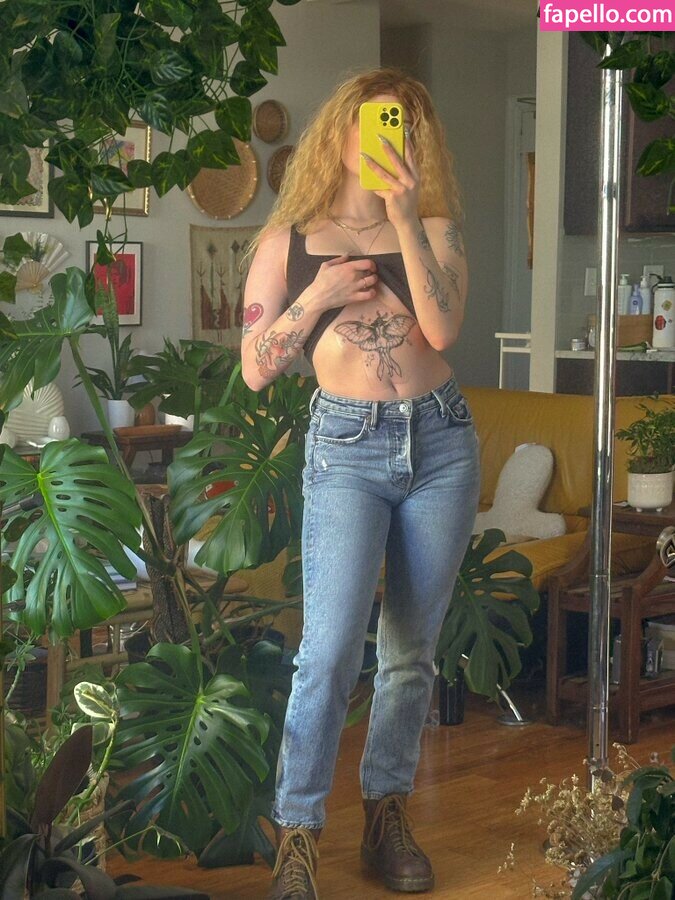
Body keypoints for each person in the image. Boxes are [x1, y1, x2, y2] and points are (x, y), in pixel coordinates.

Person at [241, 67, 480, 899]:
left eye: (407, 125)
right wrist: (315, 296)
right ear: (340, 131)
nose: (392, 138)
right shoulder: (287, 241)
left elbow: (442, 328)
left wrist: (405, 218)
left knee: (410, 652)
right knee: (330, 648)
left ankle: (386, 815)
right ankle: (298, 832)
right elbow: (256, 368)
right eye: (379, 121)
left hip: (440, 442)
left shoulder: (436, 227)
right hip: (345, 449)